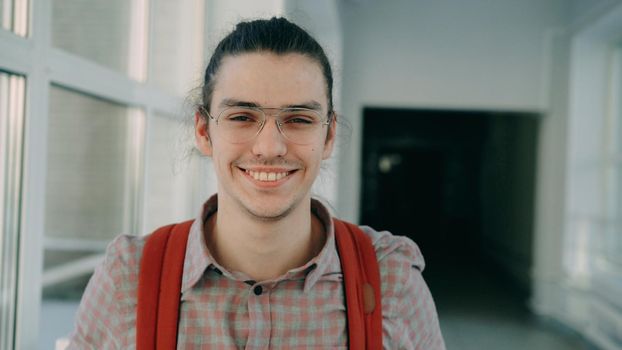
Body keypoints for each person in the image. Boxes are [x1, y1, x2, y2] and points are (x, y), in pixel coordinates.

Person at [68, 17, 445, 349]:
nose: (269, 147)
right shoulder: (128, 279)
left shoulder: (391, 282)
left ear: (328, 136)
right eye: (242, 116)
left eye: (298, 119)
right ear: (203, 131)